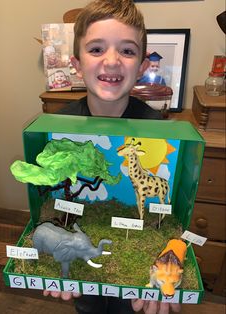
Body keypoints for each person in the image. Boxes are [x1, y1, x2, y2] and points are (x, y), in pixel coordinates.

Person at [44, 0, 181, 313]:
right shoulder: (62, 129)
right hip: (85, 255)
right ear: (76, 64)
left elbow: (168, 207)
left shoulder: (156, 133)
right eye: (96, 49)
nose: (111, 61)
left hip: (134, 264)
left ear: (143, 66)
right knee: (88, 307)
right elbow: (54, 198)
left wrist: (168, 261)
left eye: (127, 51)